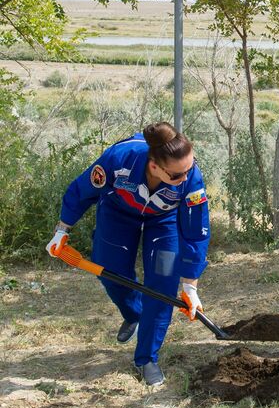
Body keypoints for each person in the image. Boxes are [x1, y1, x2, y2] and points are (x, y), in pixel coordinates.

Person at [45, 122, 210, 386]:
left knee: (162, 285)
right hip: (118, 213)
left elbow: (195, 232)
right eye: (177, 175)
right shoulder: (118, 159)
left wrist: (190, 285)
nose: (186, 177)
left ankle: (146, 358)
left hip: (164, 221)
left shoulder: (191, 177)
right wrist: (62, 230)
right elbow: (81, 191)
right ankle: (134, 314)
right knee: (109, 271)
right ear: (154, 166)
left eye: (189, 169)